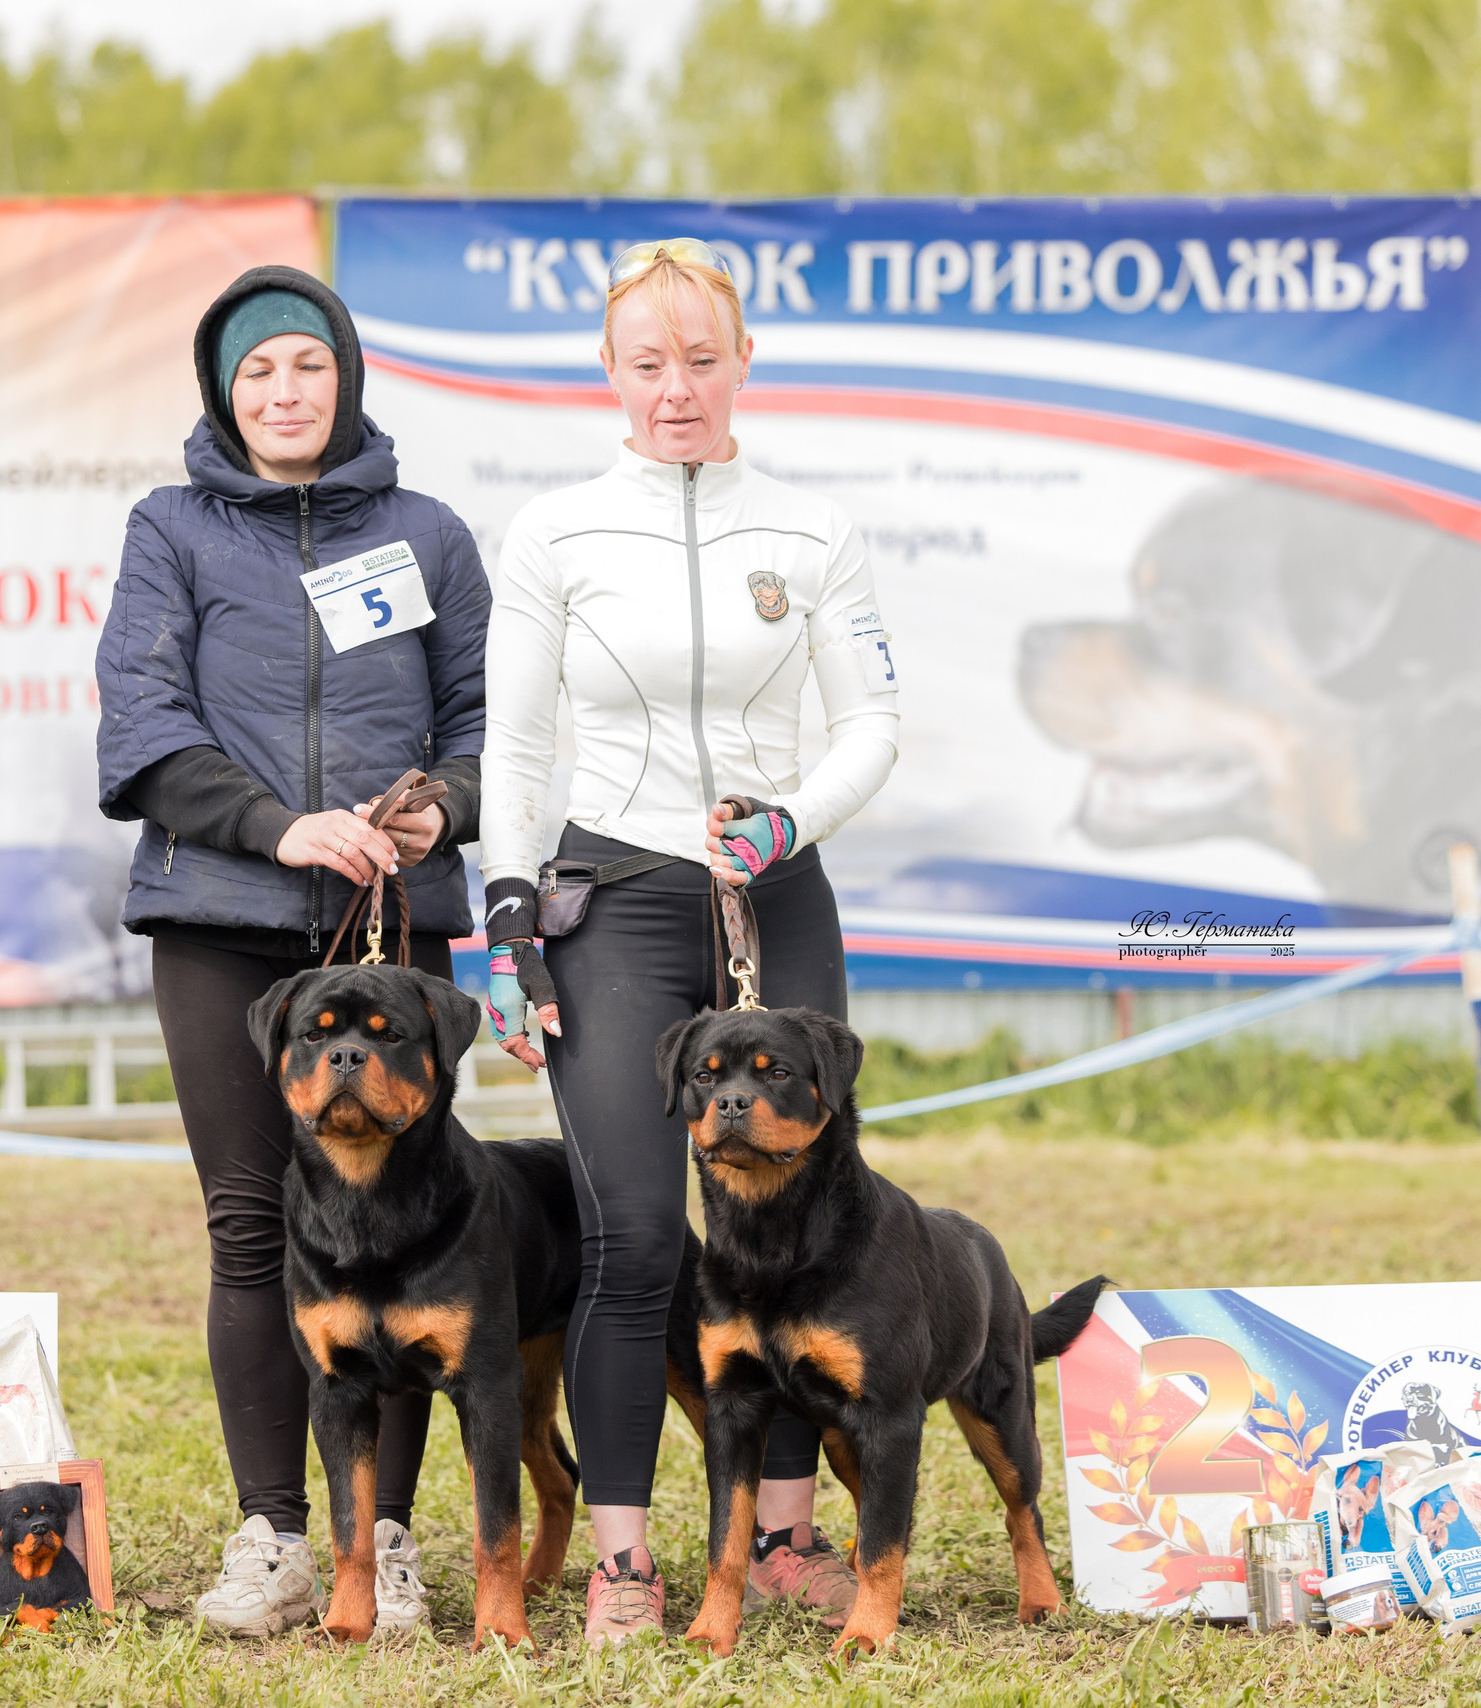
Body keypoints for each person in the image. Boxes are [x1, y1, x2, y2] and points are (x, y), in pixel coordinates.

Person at [476, 240, 903, 1643]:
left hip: (777, 886)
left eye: (703, 360)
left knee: (800, 1227)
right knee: (639, 1232)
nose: (677, 389)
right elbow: (515, 745)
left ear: (743, 363)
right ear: (609, 372)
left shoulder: (813, 530)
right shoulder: (555, 534)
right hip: (616, 894)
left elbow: (872, 725)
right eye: (649, 363)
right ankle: (623, 1561)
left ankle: (782, 1537)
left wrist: (790, 825)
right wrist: (507, 920)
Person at [96, 265, 491, 1636]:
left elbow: (484, 721)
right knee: (251, 1224)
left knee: (411, 1232)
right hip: (220, 924)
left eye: (307, 365)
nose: (283, 391)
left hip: (394, 932)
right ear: (223, 391)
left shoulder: (431, 534)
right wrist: (280, 828)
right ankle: (270, 1534)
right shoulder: (169, 529)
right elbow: (142, 723)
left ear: (347, 376)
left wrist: (444, 805)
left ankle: (385, 1541)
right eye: (256, 370)